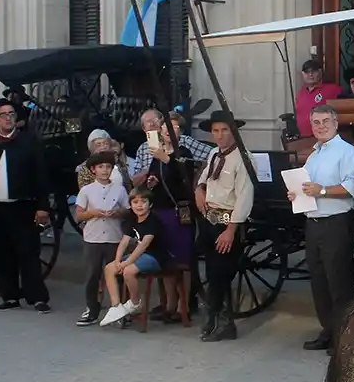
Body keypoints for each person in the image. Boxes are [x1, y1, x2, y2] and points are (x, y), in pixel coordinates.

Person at [289, 104, 354, 353]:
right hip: (313, 222)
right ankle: (328, 331)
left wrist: (321, 190)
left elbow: (353, 188)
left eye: (325, 121)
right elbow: (307, 188)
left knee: (339, 281)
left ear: (335, 123)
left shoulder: (347, 152)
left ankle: (345, 336)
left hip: (336, 222)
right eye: (316, 122)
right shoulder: (314, 155)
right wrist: (296, 193)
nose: (321, 126)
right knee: (319, 280)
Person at [0, 98, 52, 312]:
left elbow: (40, 176)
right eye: (3, 114)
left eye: (11, 114)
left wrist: (43, 206)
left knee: (28, 252)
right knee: (0, 253)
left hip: (23, 206)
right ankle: (10, 295)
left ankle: (37, 297)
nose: (8, 118)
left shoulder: (29, 142)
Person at [131, 109, 210, 325]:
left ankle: (185, 306)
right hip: (160, 212)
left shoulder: (182, 152)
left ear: (180, 131)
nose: (169, 131)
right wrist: (151, 182)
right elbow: (155, 177)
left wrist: (166, 159)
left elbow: (181, 175)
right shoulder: (157, 153)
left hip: (178, 213)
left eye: (174, 128)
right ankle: (169, 305)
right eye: (166, 127)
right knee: (165, 260)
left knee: (182, 260)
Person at [194, 111, 255, 342]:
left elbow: (244, 196)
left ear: (234, 131)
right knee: (211, 271)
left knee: (221, 272)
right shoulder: (214, 154)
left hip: (227, 221)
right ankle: (214, 317)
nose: (219, 135)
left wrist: (231, 230)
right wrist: (199, 190)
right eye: (215, 131)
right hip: (209, 219)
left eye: (224, 130)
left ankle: (225, 323)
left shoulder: (242, 158)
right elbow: (204, 178)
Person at [73, 151, 129, 327]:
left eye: (108, 167)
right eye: (101, 167)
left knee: (116, 274)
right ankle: (92, 308)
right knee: (93, 274)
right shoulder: (86, 191)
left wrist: (117, 212)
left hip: (114, 237)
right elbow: (79, 215)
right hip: (93, 238)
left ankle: (118, 309)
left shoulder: (120, 189)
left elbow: (127, 211)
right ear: (93, 170)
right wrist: (93, 213)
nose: (104, 170)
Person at [100, 188, 167, 326]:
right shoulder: (132, 219)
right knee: (109, 268)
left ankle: (135, 302)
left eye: (143, 202)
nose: (139, 205)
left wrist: (126, 263)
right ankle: (116, 305)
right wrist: (117, 260)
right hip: (139, 255)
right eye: (135, 202)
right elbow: (125, 241)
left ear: (150, 204)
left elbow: (143, 246)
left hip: (154, 256)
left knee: (128, 271)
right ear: (130, 205)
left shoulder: (153, 221)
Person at [295, 59, 344, 138]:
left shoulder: (333, 89)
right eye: (307, 72)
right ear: (303, 74)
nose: (310, 74)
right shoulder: (301, 93)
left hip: (325, 137)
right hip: (303, 138)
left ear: (320, 72)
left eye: (314, 71)